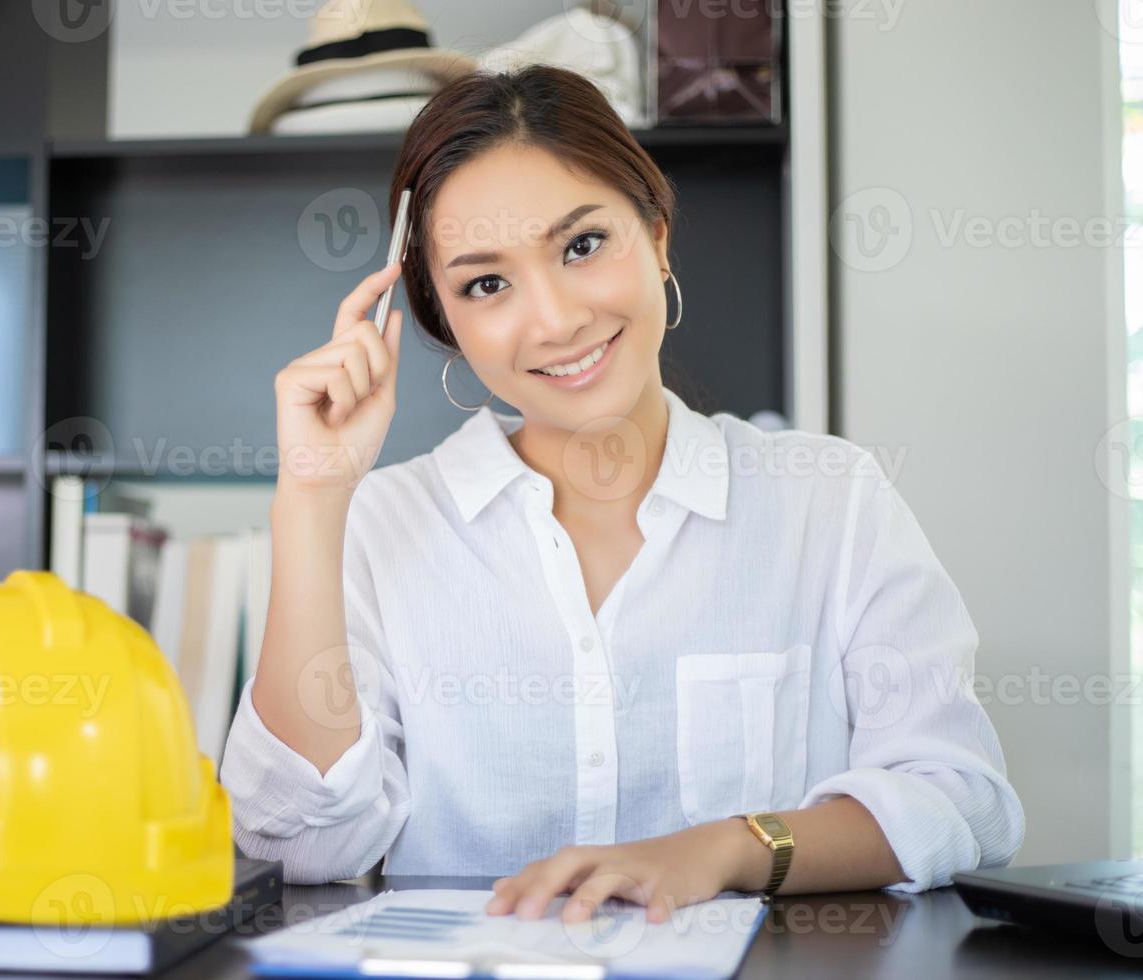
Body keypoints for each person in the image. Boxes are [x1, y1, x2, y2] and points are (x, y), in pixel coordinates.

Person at [219, 64, 1023, 924]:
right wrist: (310, 500)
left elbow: (960, 801)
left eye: (582, 245)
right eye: (487, 284)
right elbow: (299, 845)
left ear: (658, 233)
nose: (556, 319)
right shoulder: (381, 527)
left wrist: (721, 849)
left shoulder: (830, 504)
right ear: (445, 321)